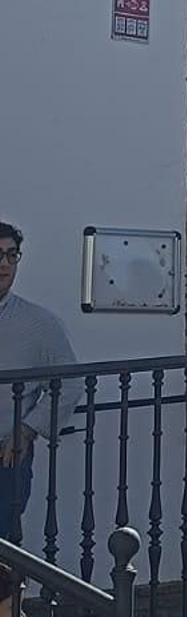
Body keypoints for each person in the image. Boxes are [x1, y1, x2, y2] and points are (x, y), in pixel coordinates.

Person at [0, 223, 76, 543]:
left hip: (5, 454)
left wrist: (27, 429)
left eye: (11, 255)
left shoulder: (38, 323)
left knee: (3, 545)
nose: (4, 264)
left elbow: (69, 383)